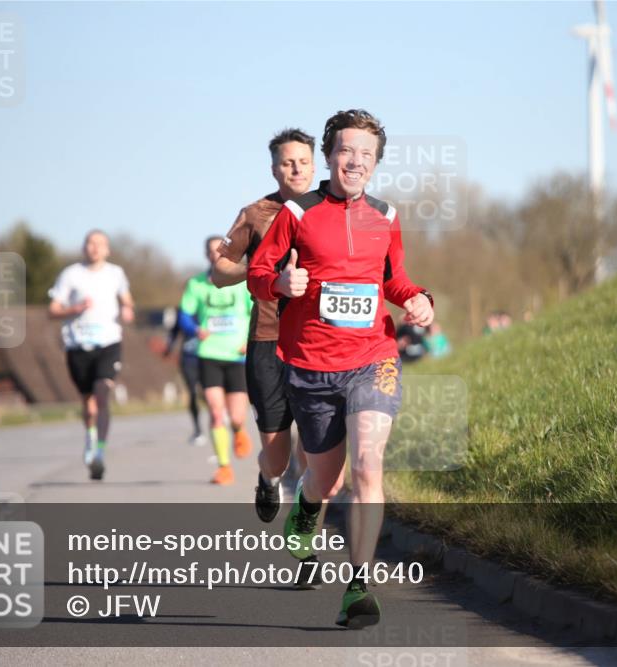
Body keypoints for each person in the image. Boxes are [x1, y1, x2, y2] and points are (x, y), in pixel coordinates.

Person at [248, 109, 434, 628]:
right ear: (329, 156)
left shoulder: (386, 216)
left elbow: (393, 279)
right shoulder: (298, 213)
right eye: (347, 151)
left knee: (369, 466)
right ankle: (307, 507)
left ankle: (358, 587)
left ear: (376, 162)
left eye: (366, 154)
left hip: (373, 358)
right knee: (325, 482)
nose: (356, 161)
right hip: (310, 364)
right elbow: (259, 271)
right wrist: (279, 285)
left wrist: (417, 298)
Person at [212, 129, 316, 520]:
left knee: (313, 450)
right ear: (274, 169)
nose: (297, 169)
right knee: (278, 456)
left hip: (316, 341)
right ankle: (268, 478)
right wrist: (258, 270)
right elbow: (218, 272)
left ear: (314, 166)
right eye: (288, 162)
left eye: (304, 162)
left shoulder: (329, 209)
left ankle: (306, 531)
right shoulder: (255, 214)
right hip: (268, 340)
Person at [48, 229, 134, 480]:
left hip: (108, 342)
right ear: (84, 247)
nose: (94, 247)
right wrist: (74, 309)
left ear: (107, 249)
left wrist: (127, 310)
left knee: (102, 393)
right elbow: (52, 310)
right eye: (90, 243)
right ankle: (90, 437)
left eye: (99, 244)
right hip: (77, 345)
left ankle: (100, 452)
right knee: (88, 402)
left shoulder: (116, 273)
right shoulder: (70, 274)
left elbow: (127, 301)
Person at [178, 236, 254, 485]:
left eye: (220, 249)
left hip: (238, 355)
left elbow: (257, 311)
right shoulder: (197, 284)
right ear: (206, 255)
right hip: (208, 354)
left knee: (237, 417)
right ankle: (224, 467)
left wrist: (250, 340)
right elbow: (184, 315)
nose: (216, 254)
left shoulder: (242, 281)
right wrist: (194, 330)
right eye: (211, 251)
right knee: (215, 411)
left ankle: (239, 431)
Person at [163, 309, 208, 446]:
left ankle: (218, 418)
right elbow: (174, 332)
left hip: (208, 358)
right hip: (188, 359)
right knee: (192, 392)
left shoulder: (207, 305)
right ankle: (198, 429)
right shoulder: (182, 311)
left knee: (207, 392)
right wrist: (169, 348)